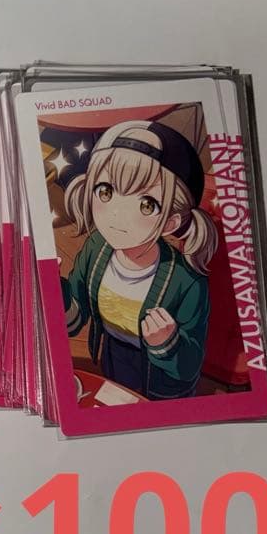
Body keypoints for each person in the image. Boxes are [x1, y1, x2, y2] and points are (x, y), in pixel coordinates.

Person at [61, 120, 218, 399]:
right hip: (112, 356)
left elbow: (189, 366)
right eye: (106, 191)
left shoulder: (187, 282)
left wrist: (167, 342)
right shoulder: (96, 248)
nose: (117, 214)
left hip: (163, 382)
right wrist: (57, 292)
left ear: (170, 222)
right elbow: (73, 321)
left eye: (147, 204)